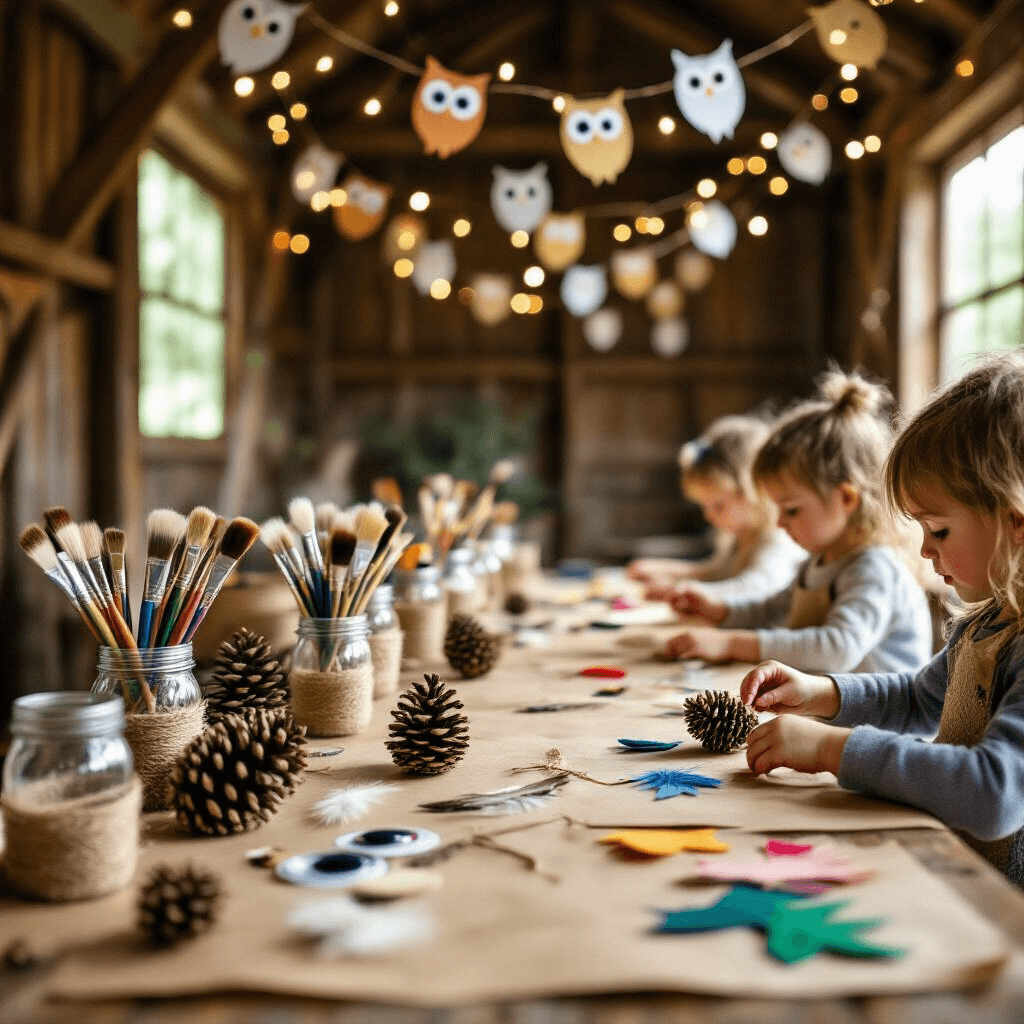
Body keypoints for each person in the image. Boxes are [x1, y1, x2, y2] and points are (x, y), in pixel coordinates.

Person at [739, 354, 1024, 884]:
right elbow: (920, 699)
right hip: (956, 866)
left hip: (1003, 910)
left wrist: (831, 749)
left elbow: (995, 793)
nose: (924, 550)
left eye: (938, 531)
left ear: (1016, 522)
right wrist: (821, 692)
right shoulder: (988, 624)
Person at [664, 369, 932, 674]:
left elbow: (836, 649)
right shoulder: (821, 559)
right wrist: (720, 610)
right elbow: (774, 608)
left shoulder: (873, 569)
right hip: (826, 709)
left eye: (790, 510)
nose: (779, 523)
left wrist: (729, 644)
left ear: (845, 499)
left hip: (877, 722)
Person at [628, 415, 804, 601]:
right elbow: (718, 573)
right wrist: (667, 571)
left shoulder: (777, 541)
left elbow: (756, 588)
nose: (708, 516)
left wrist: (680, 589)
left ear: (751, 493)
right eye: (704, 506)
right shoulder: (740, 537)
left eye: (718, 506)